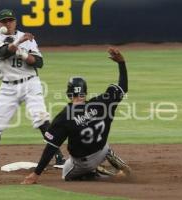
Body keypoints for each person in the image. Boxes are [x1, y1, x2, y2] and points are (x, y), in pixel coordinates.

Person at [0, 9, 65, 169]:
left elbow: (39, 62)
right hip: (8, 87)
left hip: (30, 83)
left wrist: (24, 54)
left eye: (10, 20)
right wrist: (19, 43)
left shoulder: (28, 39)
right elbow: (3, 52)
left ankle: (59, 157)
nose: (7, 23)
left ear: (15, 22)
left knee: (41, 118)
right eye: (4, 21)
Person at [22, 47, 131, 184]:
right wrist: (121, 63)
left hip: (85, 162)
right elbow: (123, 87)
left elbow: (51, 147)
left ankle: (104, 174)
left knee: (66, 174)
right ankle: (111, 156)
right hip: (102, 150)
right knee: (102, 146)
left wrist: (36, 174)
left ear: (69, 94)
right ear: (85, 92)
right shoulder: (103, 103)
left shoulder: (65, 117)